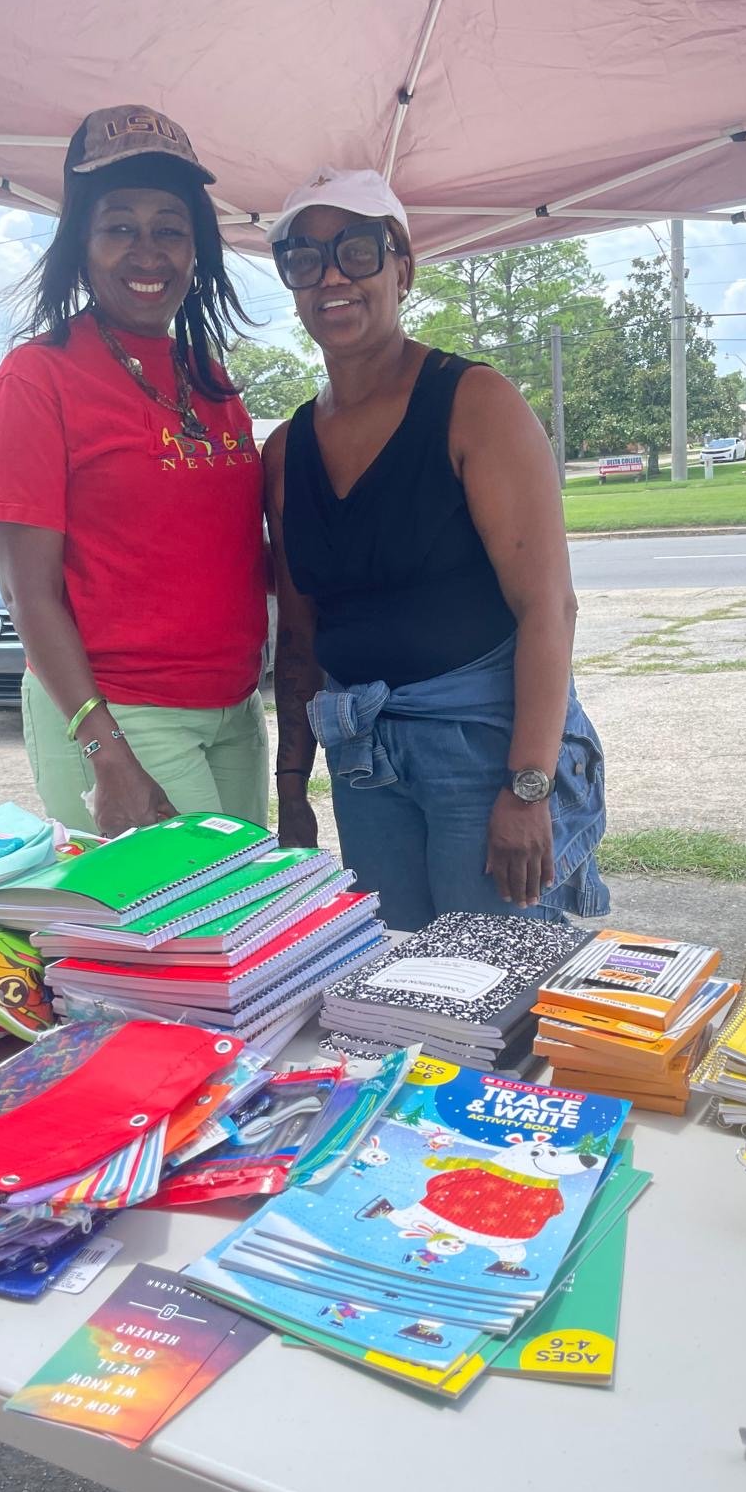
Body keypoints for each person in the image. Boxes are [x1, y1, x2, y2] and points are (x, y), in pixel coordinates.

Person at [263, 167, 609, 934]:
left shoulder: (474, 403)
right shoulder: (287, 448)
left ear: (402, 267)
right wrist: (292, 788)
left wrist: (527, 789)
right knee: (398, 981)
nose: (331, 276)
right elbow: (298, 634)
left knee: (495, 990)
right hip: (362, 759)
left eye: (357, 250)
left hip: (481, 750)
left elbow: (548, 607)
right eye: (304, 258)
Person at [0, 107, 267, 839]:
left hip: (234, 708)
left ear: (196, 248)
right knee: (184, 937)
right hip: (122, 714)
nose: (148, 252)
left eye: (169, 228)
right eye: (119, 228)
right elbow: (26, 590)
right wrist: (105, 751)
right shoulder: (37, 379)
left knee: (246, 934)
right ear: (81, 244)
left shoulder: (211, 379)